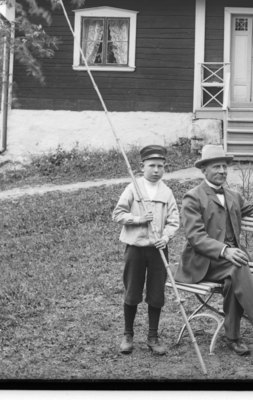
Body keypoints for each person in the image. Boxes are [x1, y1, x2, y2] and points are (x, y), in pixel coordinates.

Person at [176, 144, 253, 355]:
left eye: (224, 166)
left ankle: (233, 338)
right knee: (237, 265)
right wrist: (225, 250)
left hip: (229, 264)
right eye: (216, 167)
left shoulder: (233, 195)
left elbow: (252, 208)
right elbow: (195, 237)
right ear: (204, 170)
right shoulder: (192, 197)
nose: (222, 171)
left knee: (233, 276)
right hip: (202, 263)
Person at [111, 144, 180, 356]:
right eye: (152, 165)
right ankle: (128, 335)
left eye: (161, 166)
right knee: (132, 290)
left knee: (156, 292)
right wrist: (139, 219)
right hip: (136, 248)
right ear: (142, 167)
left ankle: (152, 336)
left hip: (158, 250)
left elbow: (174, 221)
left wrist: (166, 237)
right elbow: (118, 214)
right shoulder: (133, 188)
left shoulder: (166, 192)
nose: (156, 170)